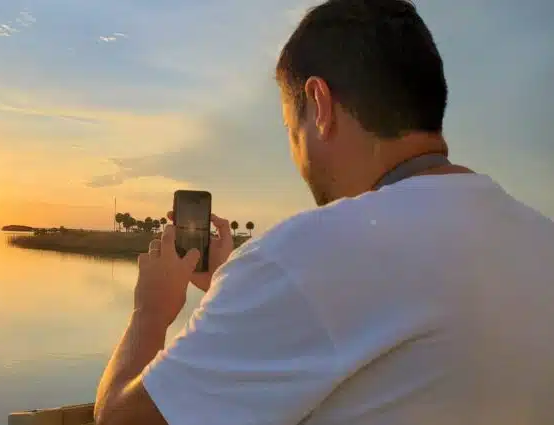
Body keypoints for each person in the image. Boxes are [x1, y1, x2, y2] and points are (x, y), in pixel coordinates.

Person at [93, 0, 554, 424]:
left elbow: (119, 420)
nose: (297, 155)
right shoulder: (539, 240)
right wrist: (241, 288)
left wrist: (151, 311)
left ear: (319, 105)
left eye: (291, 128)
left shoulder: (305, 257)